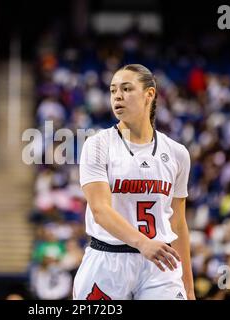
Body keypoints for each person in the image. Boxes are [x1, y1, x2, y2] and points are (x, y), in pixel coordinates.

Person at [73, 64, 195, 300]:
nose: (117, 96)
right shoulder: (97, 145)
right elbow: (100, 211)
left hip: (160, 264)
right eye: (112, 90)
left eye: (126, 89)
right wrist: (143, 243)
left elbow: (178, 224)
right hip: (108, 259)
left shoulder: (178, 153)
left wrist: (188, 287)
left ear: (149, 94)